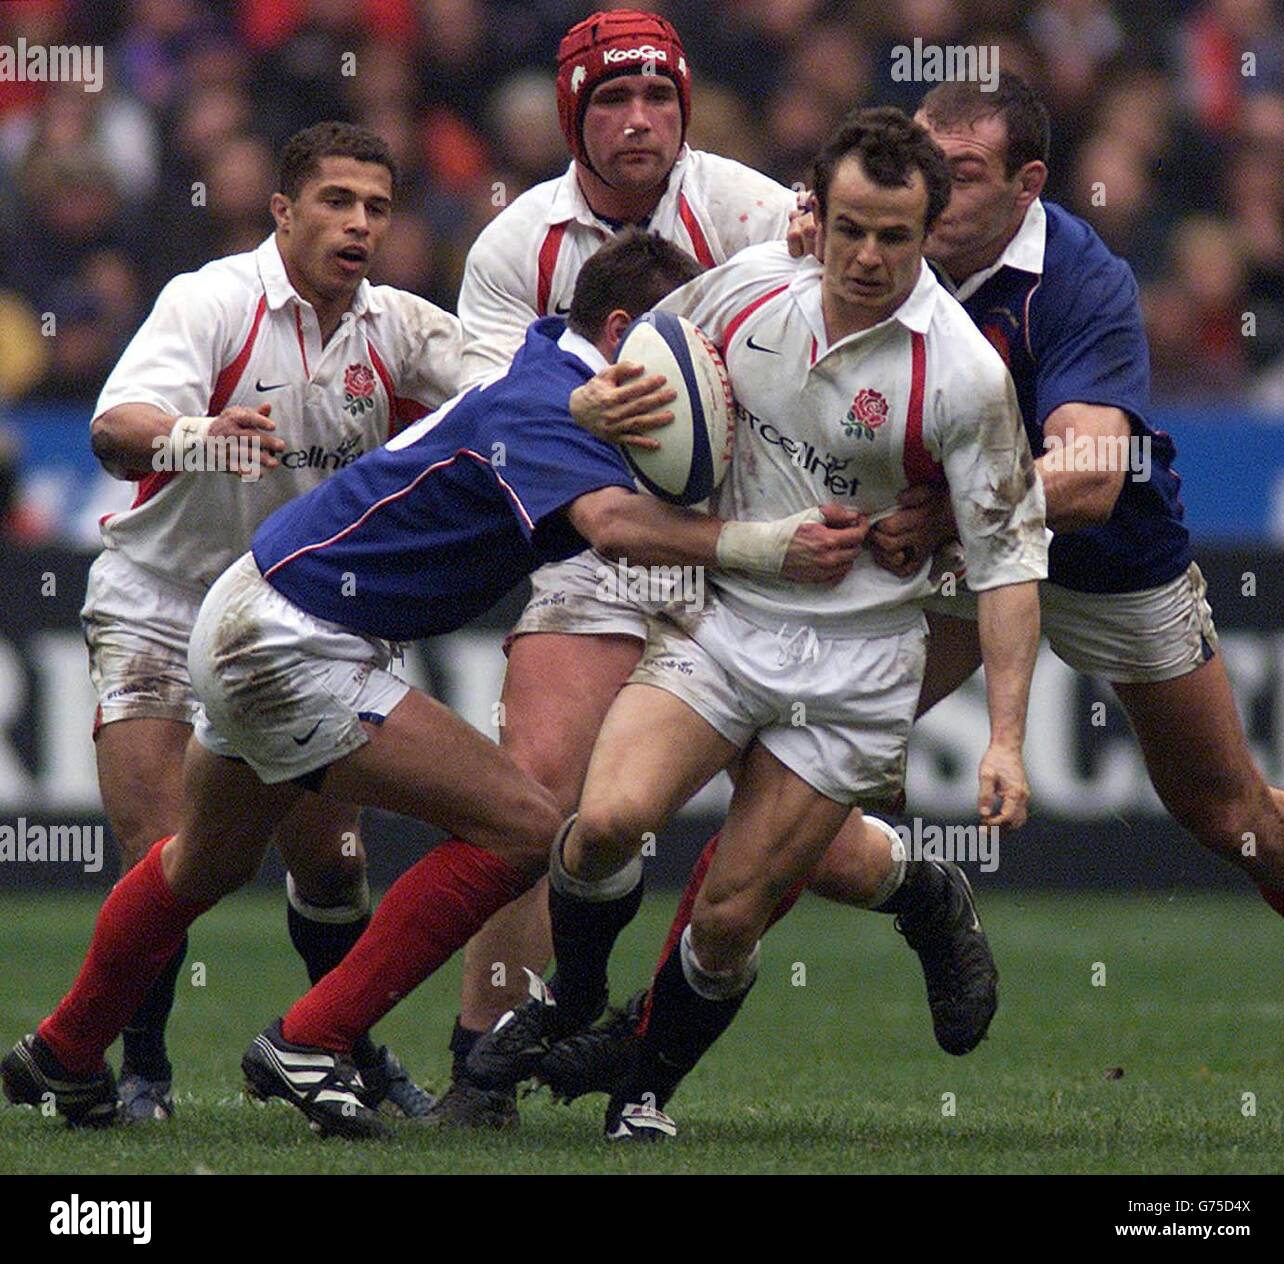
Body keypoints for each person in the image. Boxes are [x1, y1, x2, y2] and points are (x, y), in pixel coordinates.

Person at [2, 230, 867, 1138]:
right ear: (626, 331)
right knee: (527, 827)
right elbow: (613, 527)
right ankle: (311, 1038)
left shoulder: (548, 371)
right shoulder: (546, 403)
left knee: (203, 862)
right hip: (292, 638)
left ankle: (64, 1046)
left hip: (258, 607)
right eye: (695, 345)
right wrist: (774, 547)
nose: (713, 376)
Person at [548, 74, 1284, 1103]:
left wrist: (956, 504)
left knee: (1228, 816)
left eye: (964, 177)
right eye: (925, 174)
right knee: (795, 781)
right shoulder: (870, 242)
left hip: (1104, 564)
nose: (931, 202)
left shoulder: (1077, 279)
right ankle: (651, 1031)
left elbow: (1088, 472)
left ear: (1027, 185)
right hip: (944, 575)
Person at [437, 6, 1000, 1129]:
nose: (640, 120)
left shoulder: (751, 207)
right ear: (570, 115)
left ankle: (909, 885)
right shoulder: (512, 248)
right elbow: (512, 421)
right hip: (610, 537)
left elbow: (894, 329)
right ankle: (480, 1060)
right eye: (611, 99)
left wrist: (931, 498)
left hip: (765, 551)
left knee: (770, 857)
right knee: (548, 791)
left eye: (659, 98)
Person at [64, 120, 462, 1122]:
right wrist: (197, 436)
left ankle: (344, 1050)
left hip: (293, 627)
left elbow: (513, 404)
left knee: (332, 858)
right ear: (283, 211)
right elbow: (115, 429)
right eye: (336, 200)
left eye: (377, 205)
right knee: (168, 853)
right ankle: (142, 1074)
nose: (359, 223)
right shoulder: (211, 300)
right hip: (160, 603)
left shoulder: (403, 331)